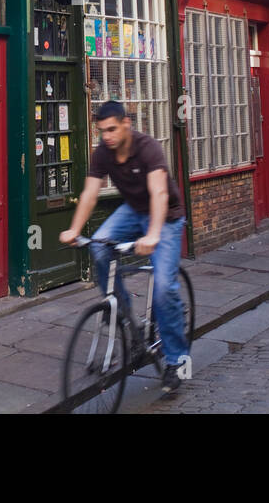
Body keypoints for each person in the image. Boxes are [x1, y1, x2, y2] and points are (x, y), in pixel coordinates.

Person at [59, 99, 189, 395]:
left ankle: (176, 360)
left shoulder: (148, 148)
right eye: (102, 131)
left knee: (164, 288)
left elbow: (158, 193)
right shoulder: (102, 153)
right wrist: (75, 230)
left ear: (126, 124)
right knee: (100, 247)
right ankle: (127, 315)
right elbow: (90, 194)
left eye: (112, 129)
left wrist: (153, 235)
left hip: (165, 216)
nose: (107, 136)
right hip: (132, 211)